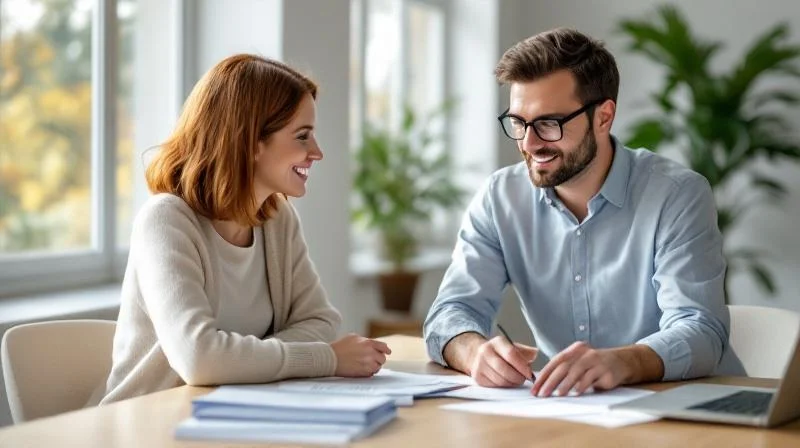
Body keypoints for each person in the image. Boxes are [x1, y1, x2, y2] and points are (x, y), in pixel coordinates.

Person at [423, 28, 739, 398]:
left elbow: (701, 328)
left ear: (603, 117)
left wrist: (623, 362)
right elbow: (450, 312)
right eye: (518, 122)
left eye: (548, 124)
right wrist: (475, 352)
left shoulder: (676, 195)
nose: (528, 143)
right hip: (568, 410)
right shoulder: (500, 197)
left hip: (680, 407)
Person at [91, 54, 390, 405]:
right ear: (250, 142)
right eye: (302, 136)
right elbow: (199, 359)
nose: (317, 152)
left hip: (235, 415)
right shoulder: (166, 221)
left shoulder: (278, 220)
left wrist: (238, 359)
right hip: (147, 426)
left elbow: (321, 320)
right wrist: (326, 358)